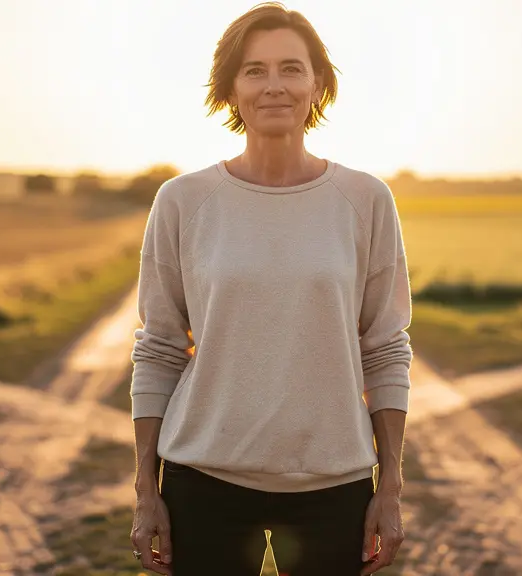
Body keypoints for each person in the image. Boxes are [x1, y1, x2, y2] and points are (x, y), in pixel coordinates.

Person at [128, 3, 413, 575]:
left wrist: (391, 487)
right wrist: (145, 491)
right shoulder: (182, 201)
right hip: (203, 481)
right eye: (254, 70)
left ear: (317, 83)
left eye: (291, 68)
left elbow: (384, 348)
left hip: (334, 484)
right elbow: (159, 347)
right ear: (230, 89)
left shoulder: (365, 200)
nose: (274, 86)